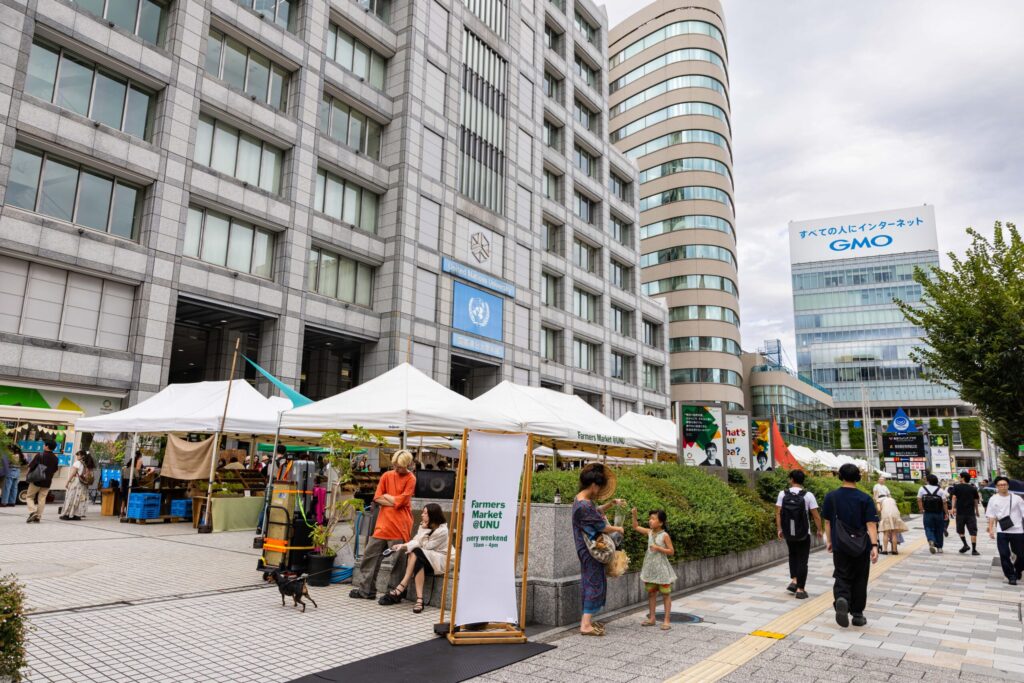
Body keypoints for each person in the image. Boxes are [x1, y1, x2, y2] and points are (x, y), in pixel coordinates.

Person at [349, 450, 417, 600]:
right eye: (394, 465)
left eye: (399, 466)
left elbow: (402, 501)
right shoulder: (386, 476)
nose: (396, 468)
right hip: (383, 524)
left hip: (400, 525)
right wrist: (394, 500)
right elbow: (378, 498)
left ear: (407, 464)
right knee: (369, 556)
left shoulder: (411, 478)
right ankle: (366, 590)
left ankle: (394, 593)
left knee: (398, 561)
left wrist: (388, 497)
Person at [821, 463, 879, 628]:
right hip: (861, 545)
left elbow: (827, 522)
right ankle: (858, 614)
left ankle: (842, 598)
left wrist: (830, 541)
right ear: (858, 477)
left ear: (840, 476)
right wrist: (874, 545)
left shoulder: (831, 497)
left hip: (840, 544)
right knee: (860, 578)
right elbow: (871, 524)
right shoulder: (865, 498)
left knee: (842, 575)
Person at [572, 463, 625, 637]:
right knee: (593, 583)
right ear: (594, 485)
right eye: (599, 487)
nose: (599, 490)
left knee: (591, 581)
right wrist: (617, 529)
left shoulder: (580, 499)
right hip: (592, 550)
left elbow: (596, 512)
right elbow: (601, 525)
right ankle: (585, 625)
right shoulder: (585, 506)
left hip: (586, 548)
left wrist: (611, 503)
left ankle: (586, 621)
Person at [379, 503, 449, 613]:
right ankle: (419, 600)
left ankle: (402, 586)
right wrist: (401, 546)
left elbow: (427, 546)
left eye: (425, 513)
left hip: (439, 560)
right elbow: (416, 541)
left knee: (416, 552)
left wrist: (424, 530)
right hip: (424, 558)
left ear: (433, 515)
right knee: (416, 556)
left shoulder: (442, 531)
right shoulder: (425, 525)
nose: (422, 515)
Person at [776, 469, 823, 599]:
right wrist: (819, 530)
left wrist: (779, 529)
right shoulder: (808, 495)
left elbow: (778, 513)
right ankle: (801, 590)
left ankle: (795, 580)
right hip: (803, 533)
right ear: (803, 481)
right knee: (803, 560)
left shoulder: (782, 494)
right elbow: (816, 516)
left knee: (792, 555)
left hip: (788, 532)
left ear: (791, 480)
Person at [632, 507, 675, 629]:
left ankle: (666, 621)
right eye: (650, 518)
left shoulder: (665, 535)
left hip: (662, 571)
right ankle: (652, 618)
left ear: (660, 522)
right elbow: (635, 527)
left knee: (666, 594)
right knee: (651, 594)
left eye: (653, 519)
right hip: (650, 569)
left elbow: (671, 551)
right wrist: (634, 515)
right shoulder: (649, 532)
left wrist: (659, 548)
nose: (650, 521)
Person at [986, 477, 1024, 585]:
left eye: (1004, 484)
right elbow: (991, 515)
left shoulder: (1017, 498)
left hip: (1018, 530)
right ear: (997, 487)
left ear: (1008, 486)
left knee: (1021, 555)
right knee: (1004, 554)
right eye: (1000, 485)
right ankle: (1011, 576)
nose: (1003, 486)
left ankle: (1018, 569)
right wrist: (991, 529)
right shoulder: (993, 499)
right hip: (1002, 530)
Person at [25, 440, 60, 523]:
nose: (43, 445)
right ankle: (38, 517)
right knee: (42, 499)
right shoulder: (55, 458)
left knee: (29, 497)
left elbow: (31, 467)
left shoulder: (40, 455)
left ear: (47, 446)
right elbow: (55, 470)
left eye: (44, 444)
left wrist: (28, 475)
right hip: (47, 481)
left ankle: (33, 512)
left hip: (37, 480)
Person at [951, 470, 982, 555]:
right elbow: (976, 500)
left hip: (960, 513)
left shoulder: (957, 487)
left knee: (960, 530)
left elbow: (954, 497)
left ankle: (965, 545)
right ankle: (974, 550)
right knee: (973, 531)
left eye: (960, 476)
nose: (959, 478)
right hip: (971, 513)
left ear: (962, 478)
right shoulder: (973, 488)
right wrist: (977, 511)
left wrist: (953, 508)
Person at [917, 474, 949, 554]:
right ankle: (939, 547)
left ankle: (931, 540)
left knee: (928, 527)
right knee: (939, 529)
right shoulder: (940, 490)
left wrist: (921, 509)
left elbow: (919, 500)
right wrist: (946, 513)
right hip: (939, 513)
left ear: (928, 481)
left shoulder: (922, 488)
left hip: (927, 512)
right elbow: (944, 503)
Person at [60, 450, 96, 520]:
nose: (77, 456)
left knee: (71, 497)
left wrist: (67, 482)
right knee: (80, 499)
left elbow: (73, 473)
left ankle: (68, 514)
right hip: (84, 484)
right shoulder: (88, 463)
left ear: (82, 456)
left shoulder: (77, 463)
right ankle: (77, 514)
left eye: (78, 455)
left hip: (76, 482)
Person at [871, 474, 892, 552]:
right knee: (879, 510)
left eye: (883, 479)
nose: (881, 480)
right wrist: (875, 500)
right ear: (878, 480)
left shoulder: (885, 487)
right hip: (879, 499)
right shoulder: (876, 486)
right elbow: (875, 494)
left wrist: (891, 501)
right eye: (880, 479)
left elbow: (889, 495)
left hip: (886, 499)